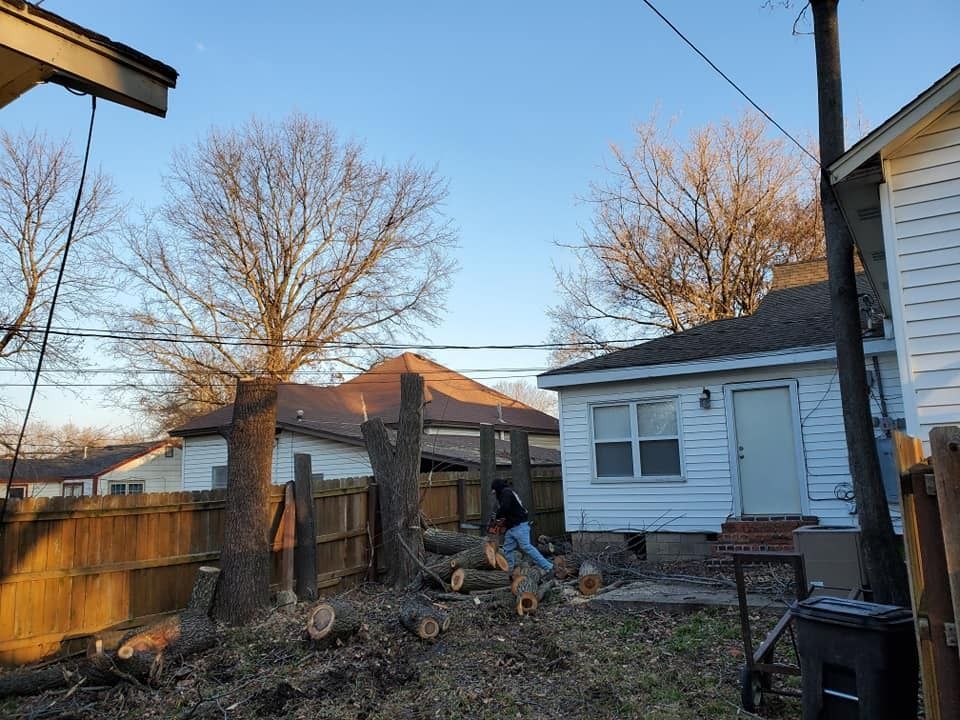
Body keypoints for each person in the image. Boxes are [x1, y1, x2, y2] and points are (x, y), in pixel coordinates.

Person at [491, 478, 554, 577]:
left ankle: (549, 567)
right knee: (507, 549)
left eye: (494, 489)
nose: (493, 492)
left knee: (526, 547)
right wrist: (502, 522)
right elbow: (508, 511)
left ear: (497, 487)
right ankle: (509, 573)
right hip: (511, 528)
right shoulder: (505, 494)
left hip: (520, 526)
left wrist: (497, 516)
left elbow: (505, 508)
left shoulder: (506, 493)